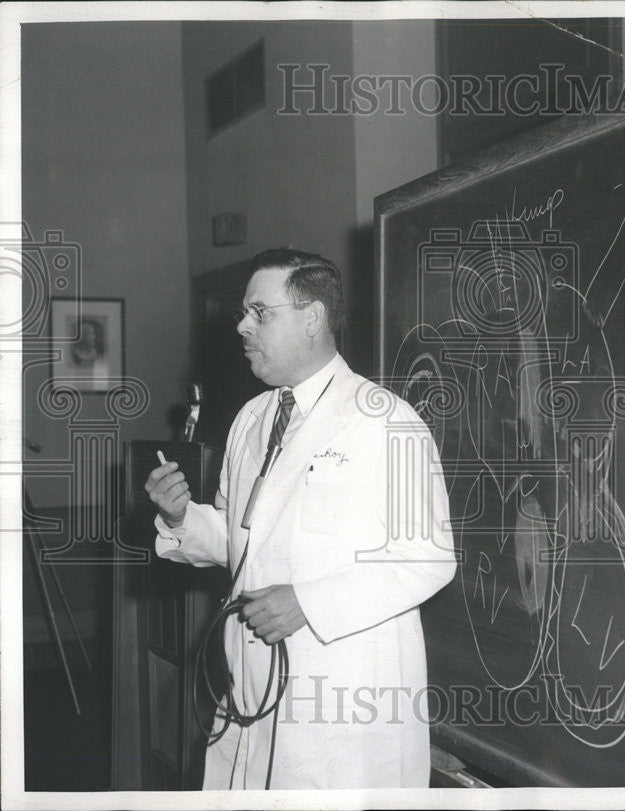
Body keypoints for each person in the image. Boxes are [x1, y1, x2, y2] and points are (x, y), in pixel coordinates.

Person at [144, 248, 456, 789]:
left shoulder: (385, 420)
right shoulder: (252, 418)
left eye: (260, 313)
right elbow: (240, 540)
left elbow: (428, 558)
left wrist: (307, 603)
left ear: (312, 318)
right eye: (245, 312)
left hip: (341, 694)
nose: (242, 326)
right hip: (253, 678)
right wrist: (178, 518)